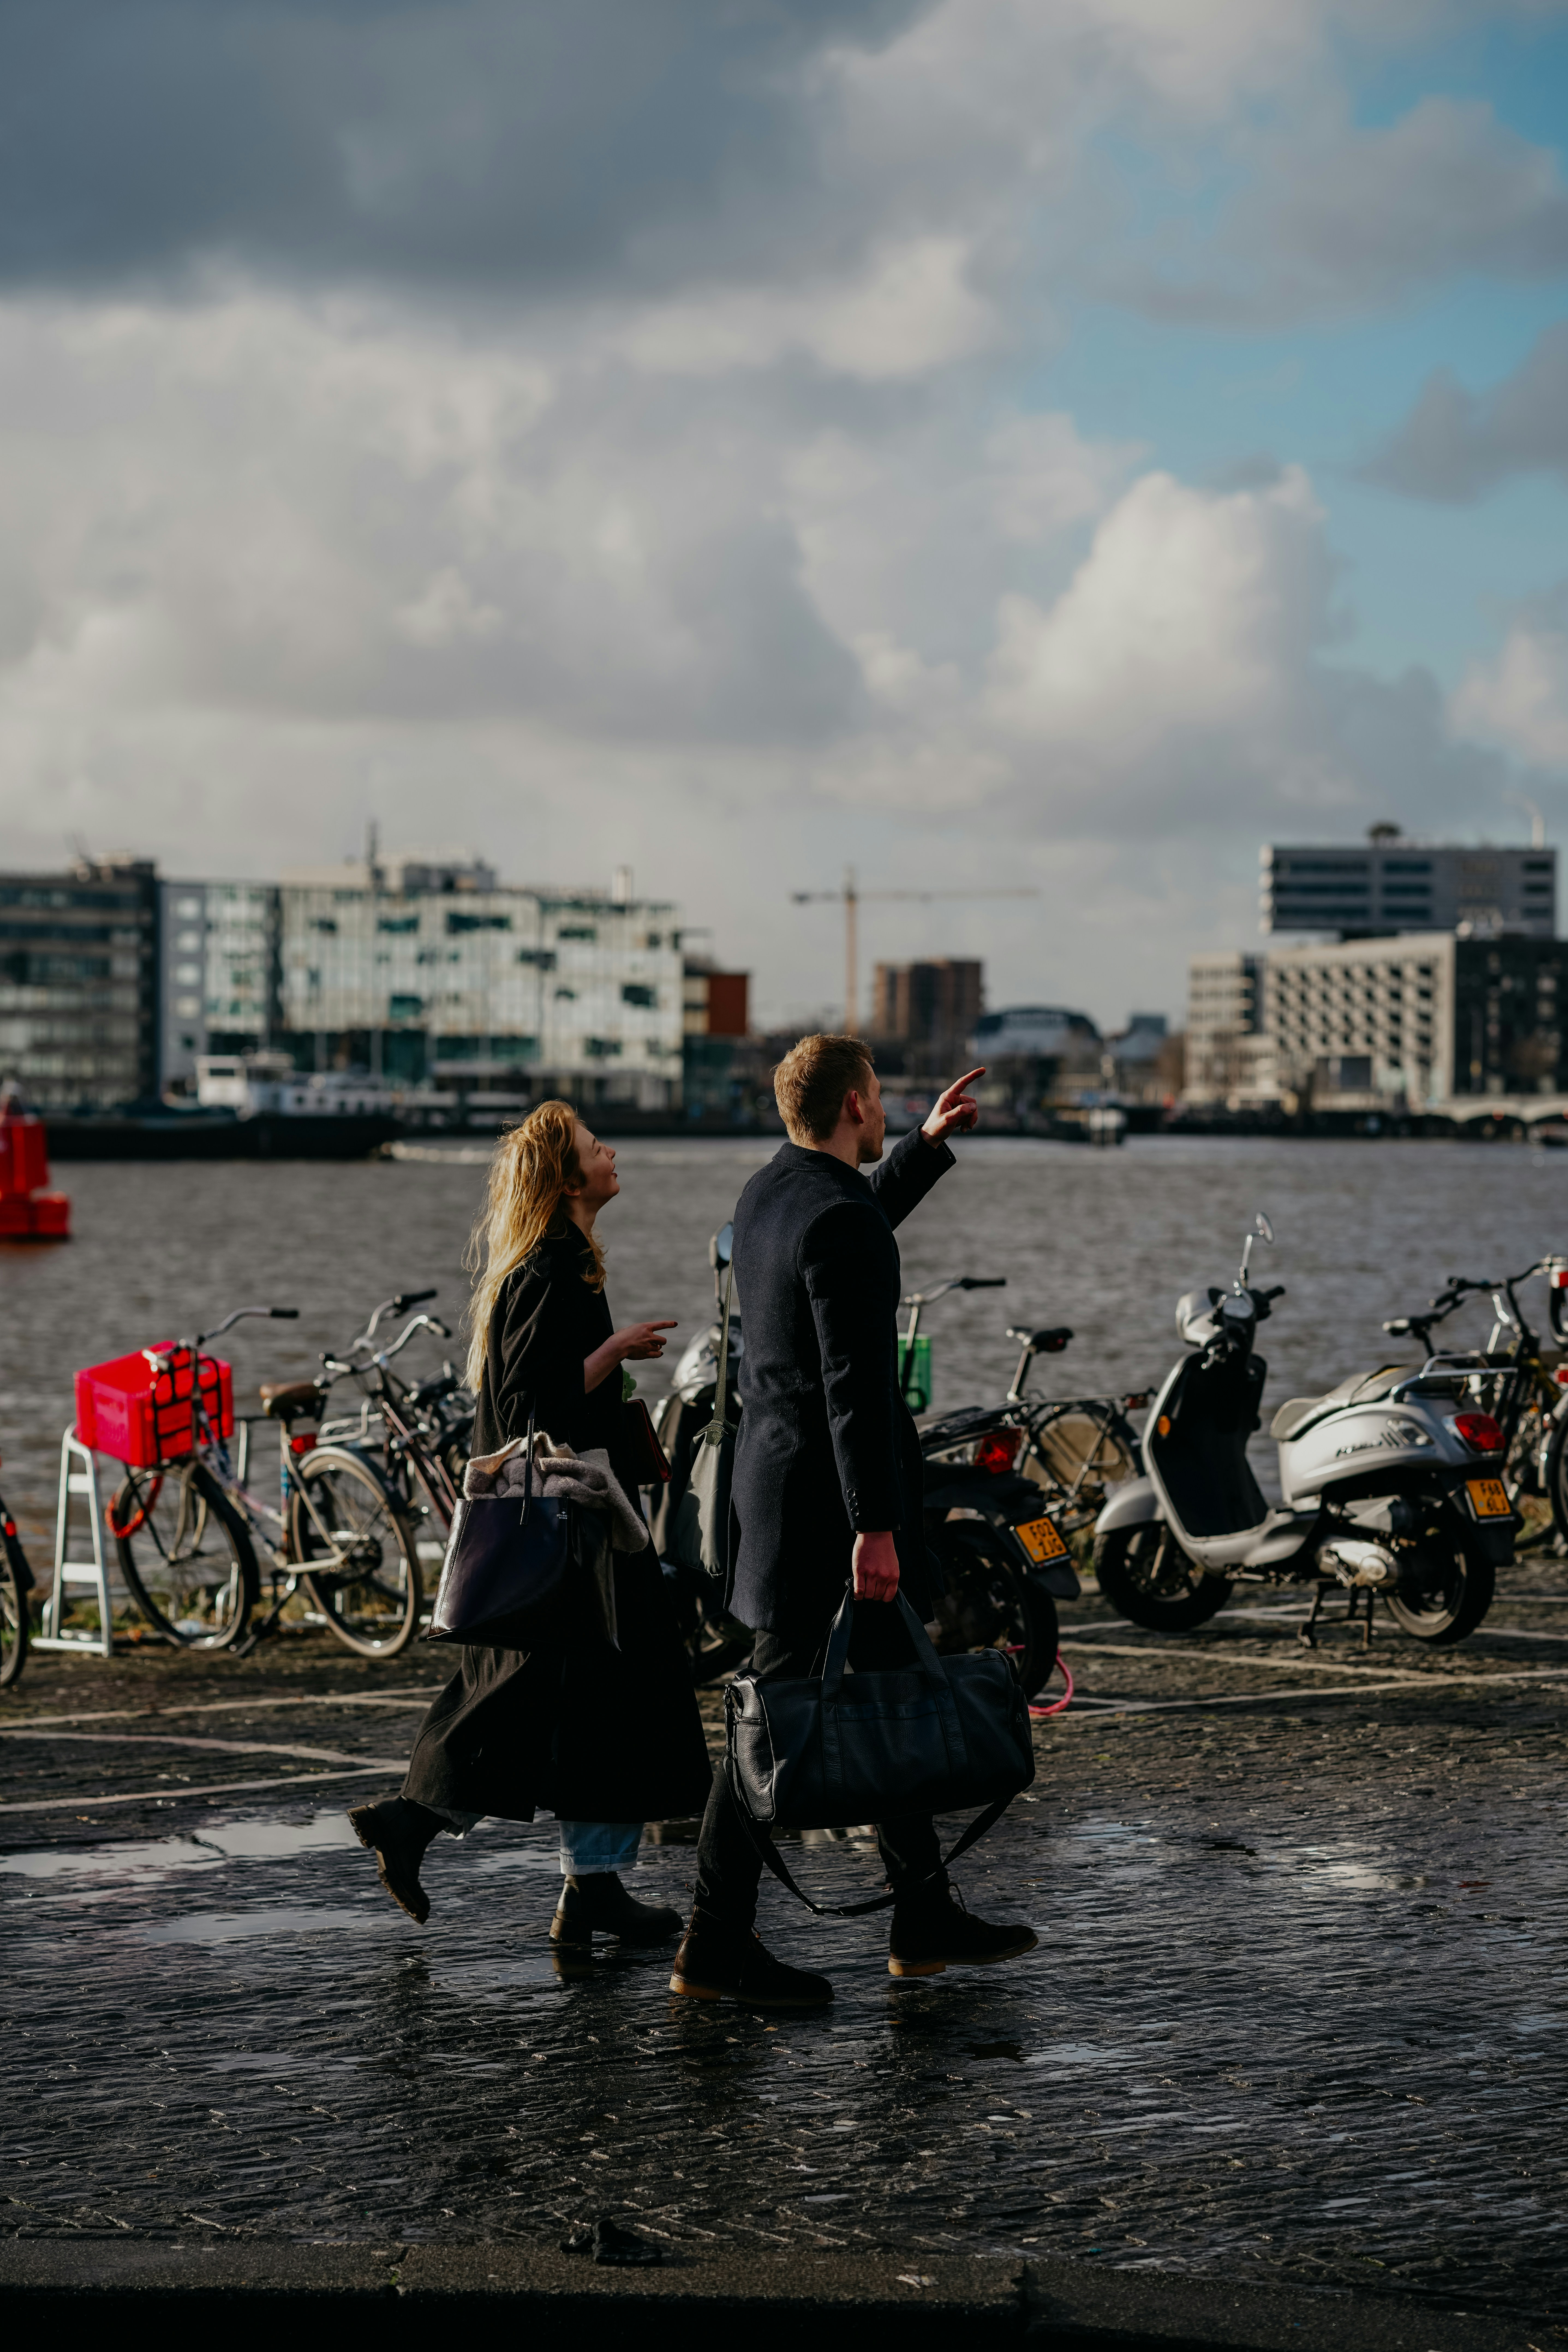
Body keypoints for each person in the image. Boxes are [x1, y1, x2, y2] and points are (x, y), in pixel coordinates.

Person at [670, 1035, 1038, 2009]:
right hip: (830, 1519)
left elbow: (847, 1228)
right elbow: (855, 1390)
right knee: (767, 1722)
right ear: (852, 1107)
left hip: (775, 1494)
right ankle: (712, 1942)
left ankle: (922, 1916)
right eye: (880, 1099)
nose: (885, 1110)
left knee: (885, 1690)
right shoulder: (838, 1218)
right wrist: (874, 1528)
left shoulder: (769, 1193)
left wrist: (923, 1146)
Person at [350, 1101, 713, 1949]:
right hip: (567, 1530)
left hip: (578, 1521)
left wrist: (614, 1382)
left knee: (579, 1702)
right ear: (566, 1177)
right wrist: (613, 1353)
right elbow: (528, 1406)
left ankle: (588, 1884)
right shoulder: (549, 1269)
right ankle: (427, 1824)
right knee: (554, 1696)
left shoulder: (562, 1262)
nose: (610, 1150)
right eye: (594, 1146)